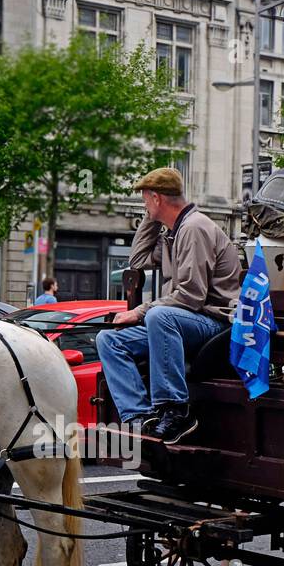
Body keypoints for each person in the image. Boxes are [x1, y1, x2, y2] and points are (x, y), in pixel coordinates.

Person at [96, 167, 242, 444]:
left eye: (145, 200)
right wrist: (152, 220)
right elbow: (138, 260)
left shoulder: (194, 229)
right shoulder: (174, 233)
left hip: (213, 325)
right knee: (109, 340)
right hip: (183, 322)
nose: (143, 205)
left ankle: (174, 409)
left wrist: (139, 311)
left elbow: (191, 296)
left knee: (159, 316)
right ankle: (140, 417)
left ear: (156, 197)